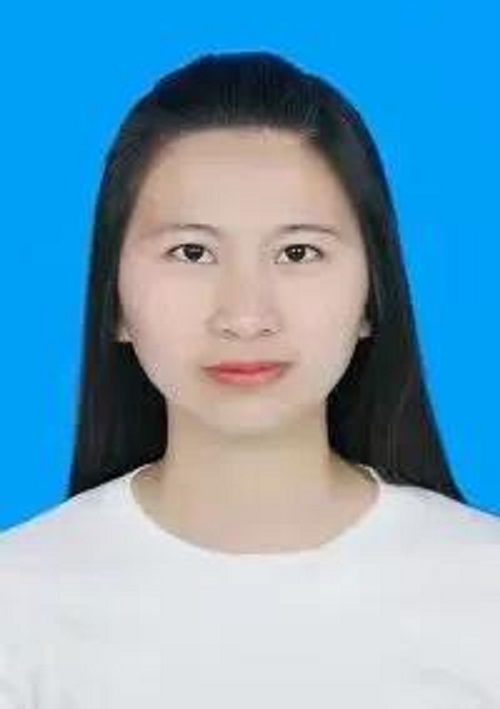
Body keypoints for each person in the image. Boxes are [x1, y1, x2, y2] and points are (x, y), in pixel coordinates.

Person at [1, 50, 499, 708]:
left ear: (372, 297)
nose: (244, 315)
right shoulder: (19, 602)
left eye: (298, 252)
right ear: (114, 300)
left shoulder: (484, 593)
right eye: (192, 252)